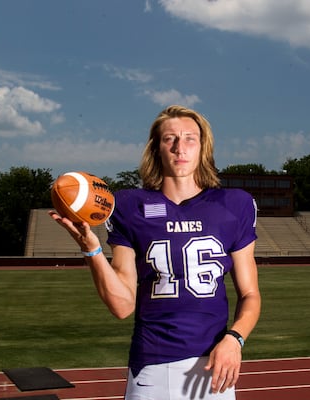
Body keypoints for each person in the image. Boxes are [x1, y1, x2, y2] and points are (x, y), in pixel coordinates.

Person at [50, 105, 261, 399]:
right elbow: (122, 306)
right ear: (156, 148)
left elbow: (250, 294)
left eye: (190, 138)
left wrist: (235, 340)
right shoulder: (128, 205)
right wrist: (92, 250)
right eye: (169, 139)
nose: (179, 147)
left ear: (203, 147)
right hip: (152, 366)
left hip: (215, 366)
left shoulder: (234, 204)